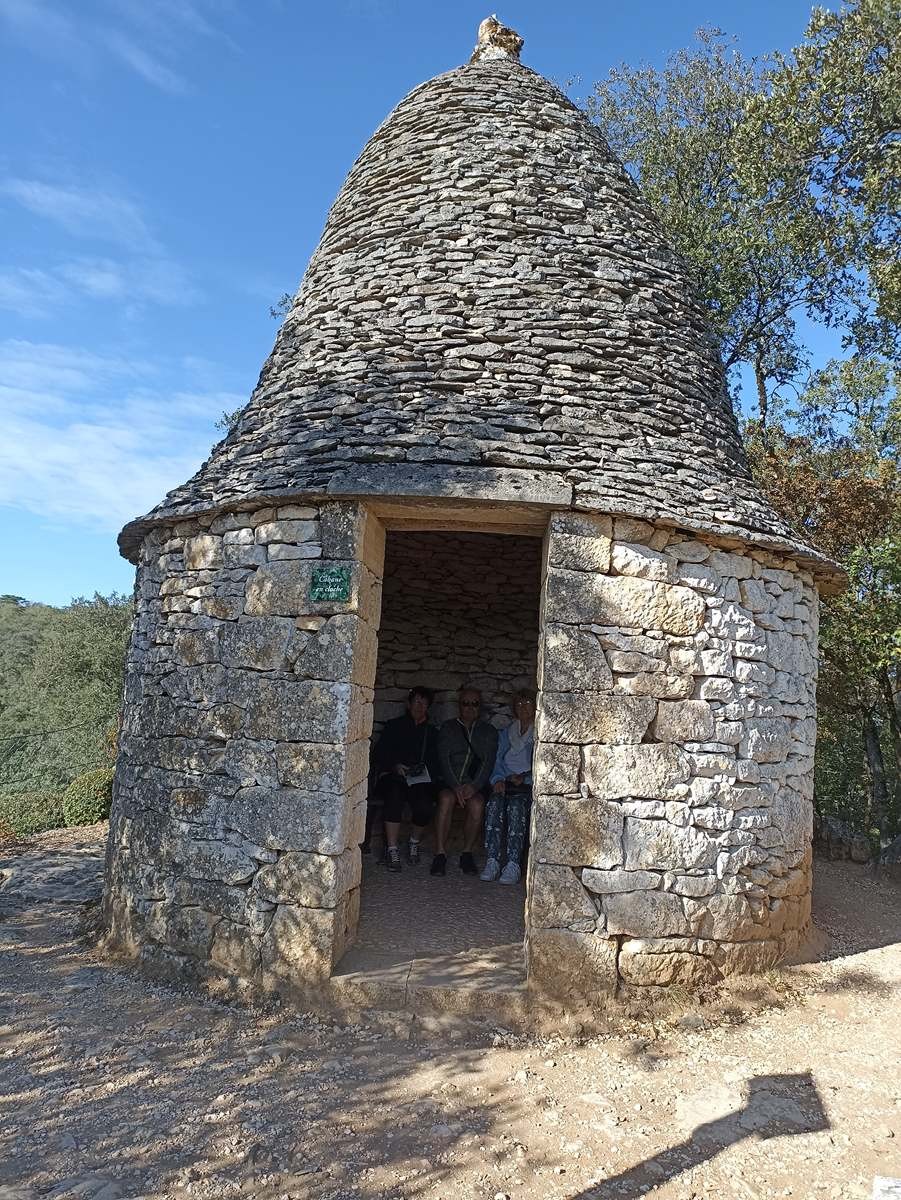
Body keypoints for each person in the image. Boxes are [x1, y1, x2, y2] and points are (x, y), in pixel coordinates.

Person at [370, 686, 441, 872]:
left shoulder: (432, 733)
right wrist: (395, 766)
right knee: (394, 796)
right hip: (394, 778)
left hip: (419, 781)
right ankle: (392, 849)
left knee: (425, 803)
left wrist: (420, 771)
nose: (420, 706)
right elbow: (379, 754)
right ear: (409, 704)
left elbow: (436, 761)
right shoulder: (394, 726)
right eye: (417, 701)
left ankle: (413, 842)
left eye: (425, 703)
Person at [432, 686, 499, 877]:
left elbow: (488, 762)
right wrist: (455, 786)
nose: (470, 708)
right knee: (446, 800)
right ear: (459, 706)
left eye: (474, 704)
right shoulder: (448, 728)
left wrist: (474, 786)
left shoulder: (488, 731)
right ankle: (440, 853)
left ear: (480, 707)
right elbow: (443, 759)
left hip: (474, 783)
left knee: (477, 804)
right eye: (465, 703)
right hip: (450, 782)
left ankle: (467, 852)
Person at [481, 689, 536, 885]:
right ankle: (492, 859)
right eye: (519, 704)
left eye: (528, 703)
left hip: (525, 785)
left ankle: (513, 862)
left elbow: (541, 764)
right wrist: (498, 779)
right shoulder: (506, 733)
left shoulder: (538, 734)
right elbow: (497, 760)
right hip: (505, 781)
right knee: (494, 804)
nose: (524, 707)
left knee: (516, 808)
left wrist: (526, 778)